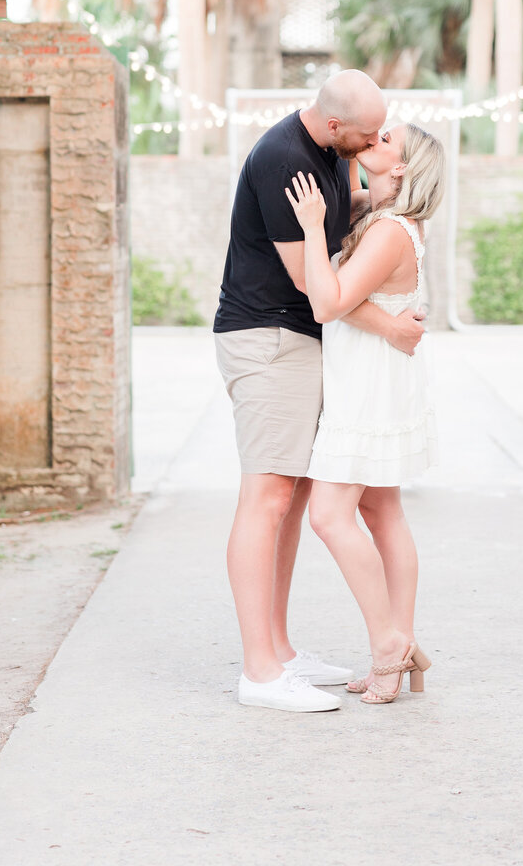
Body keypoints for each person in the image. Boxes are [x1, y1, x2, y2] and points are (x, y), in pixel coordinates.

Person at [213, 72, 427, 713]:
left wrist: (380, 203)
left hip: (303, 342)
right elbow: (315, 285)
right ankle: (259, 671)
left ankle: (279, 649)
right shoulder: (285, 159)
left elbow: (337, 233)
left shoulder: (334, 156)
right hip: (268, 337)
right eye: (369, 133)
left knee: (296, 492)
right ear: (336, 127)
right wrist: (389, 324)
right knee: (267, 495)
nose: (374, 141)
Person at [285, 122, 445, 705]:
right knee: (382, 512)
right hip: (377, 377)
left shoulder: (387, 231)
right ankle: (401, 644)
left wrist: (306, 227)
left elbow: (327, 302)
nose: (371, 140)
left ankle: (387, 647)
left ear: (400, 169)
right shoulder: (383, 220)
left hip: (369, 389)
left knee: (329, 515)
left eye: (384, 142)